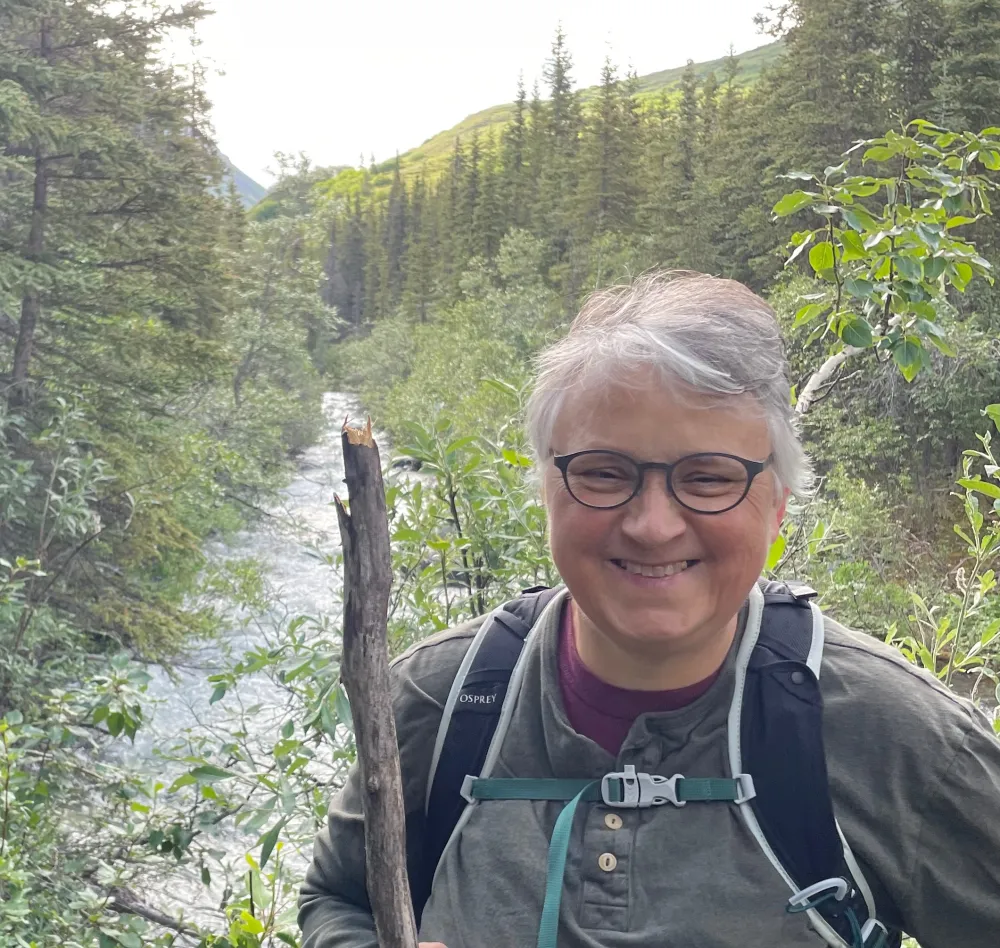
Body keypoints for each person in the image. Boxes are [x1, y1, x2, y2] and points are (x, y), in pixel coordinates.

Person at [298, 271, 1000, 948]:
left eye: (709, 477)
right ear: (546, 487)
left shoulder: (897, 737)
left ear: (778, 503)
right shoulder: (439, 698)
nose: (654, 525)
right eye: (604, 472)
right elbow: (340, 898)